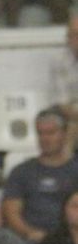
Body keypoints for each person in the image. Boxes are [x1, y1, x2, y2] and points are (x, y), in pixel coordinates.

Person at [2, 107, 78, 244]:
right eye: (40, 133)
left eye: (51, 133)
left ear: (64, 133)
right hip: (32, 242)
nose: (45, 139)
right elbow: (11, 213)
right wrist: (30, 233)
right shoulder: (21, 172)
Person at [50, 16, 78, 148]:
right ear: (68, 38)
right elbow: (63, 104)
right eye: (74, 35)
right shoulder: (60, 61)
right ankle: (66, 161)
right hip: (72, 115)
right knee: (71, 126)